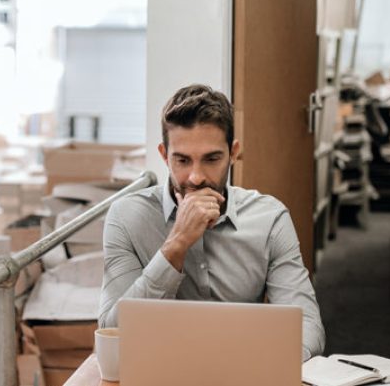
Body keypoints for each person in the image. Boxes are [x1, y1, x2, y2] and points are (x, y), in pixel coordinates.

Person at [98, 84, 325, 361]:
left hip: (245, 370)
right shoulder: (126, 217)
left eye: (212, 159)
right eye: (182, 160)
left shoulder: (270, 218)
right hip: (158, 370)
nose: (196, 177)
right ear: (163, 155)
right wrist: (176, 245)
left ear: (233, 153)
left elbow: (308, 327)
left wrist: (264, 368)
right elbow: (114, 337)